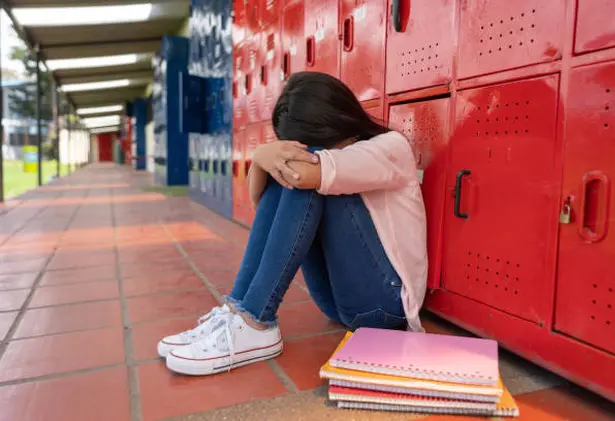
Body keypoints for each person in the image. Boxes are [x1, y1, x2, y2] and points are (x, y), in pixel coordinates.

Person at [158, 72, 428, 376]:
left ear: (336, 123)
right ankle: (238, 310)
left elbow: (303, 174)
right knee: (286, 170)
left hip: (385, 305)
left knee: (300, 171)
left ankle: (255, 322)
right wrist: (263, 157)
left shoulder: (390, 147)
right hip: (334, 302)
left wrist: (268, 155)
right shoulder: (332, 153)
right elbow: (260, 198)